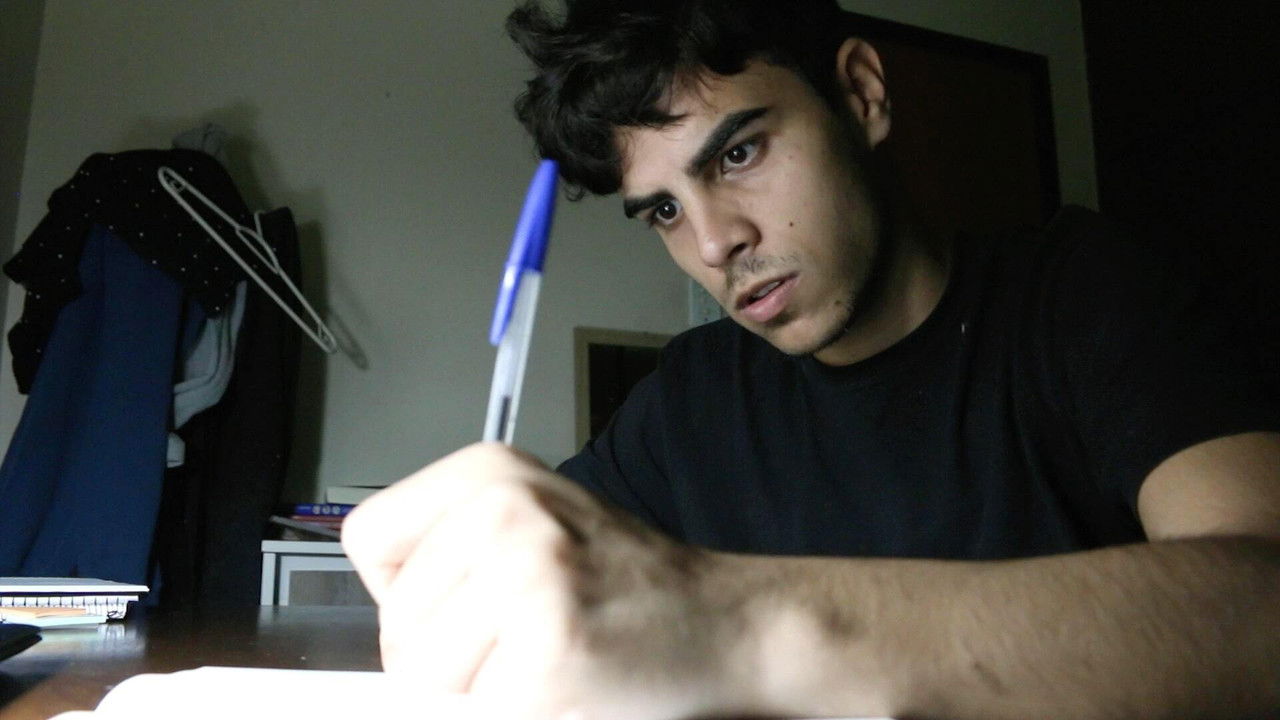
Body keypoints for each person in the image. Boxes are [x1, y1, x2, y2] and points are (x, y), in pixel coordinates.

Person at [341, 1, 1280, 718]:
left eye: (738, 154)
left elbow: (1262, 606)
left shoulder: (1086, 293)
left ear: (861, 94)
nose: (715, 242)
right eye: (663, 210)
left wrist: (742, 622)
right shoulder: (690, 399)